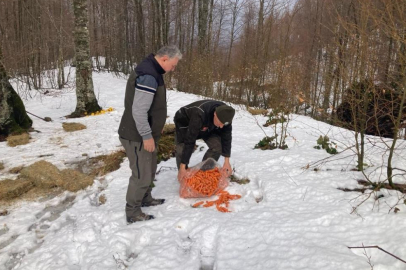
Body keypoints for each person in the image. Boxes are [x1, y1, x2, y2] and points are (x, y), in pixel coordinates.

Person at [118, 45, 182, 224]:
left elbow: (151, 107)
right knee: (141, 174)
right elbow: (138, 111)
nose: (173, 69)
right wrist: (147, 135)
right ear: (164, 59)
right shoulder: (148, 76)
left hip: (146, 133)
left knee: (149, 169)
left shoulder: (153, 70)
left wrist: (156, 126)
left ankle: (145, 198)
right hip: (137, 135)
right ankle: (133, 212)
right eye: (173, 65)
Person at [174, 100, 235, 181]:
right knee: (182, 149)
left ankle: (203, 173)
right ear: (215, 114)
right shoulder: (199, 113)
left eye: (224, 124)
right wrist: (182, 166)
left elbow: (227, 138)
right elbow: (190, 140)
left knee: (217, 147)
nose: (221, 127)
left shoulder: (226, 115)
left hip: (208, 126)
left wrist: (226, 162)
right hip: (185, 123)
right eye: (220, 123)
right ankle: (183, 174)